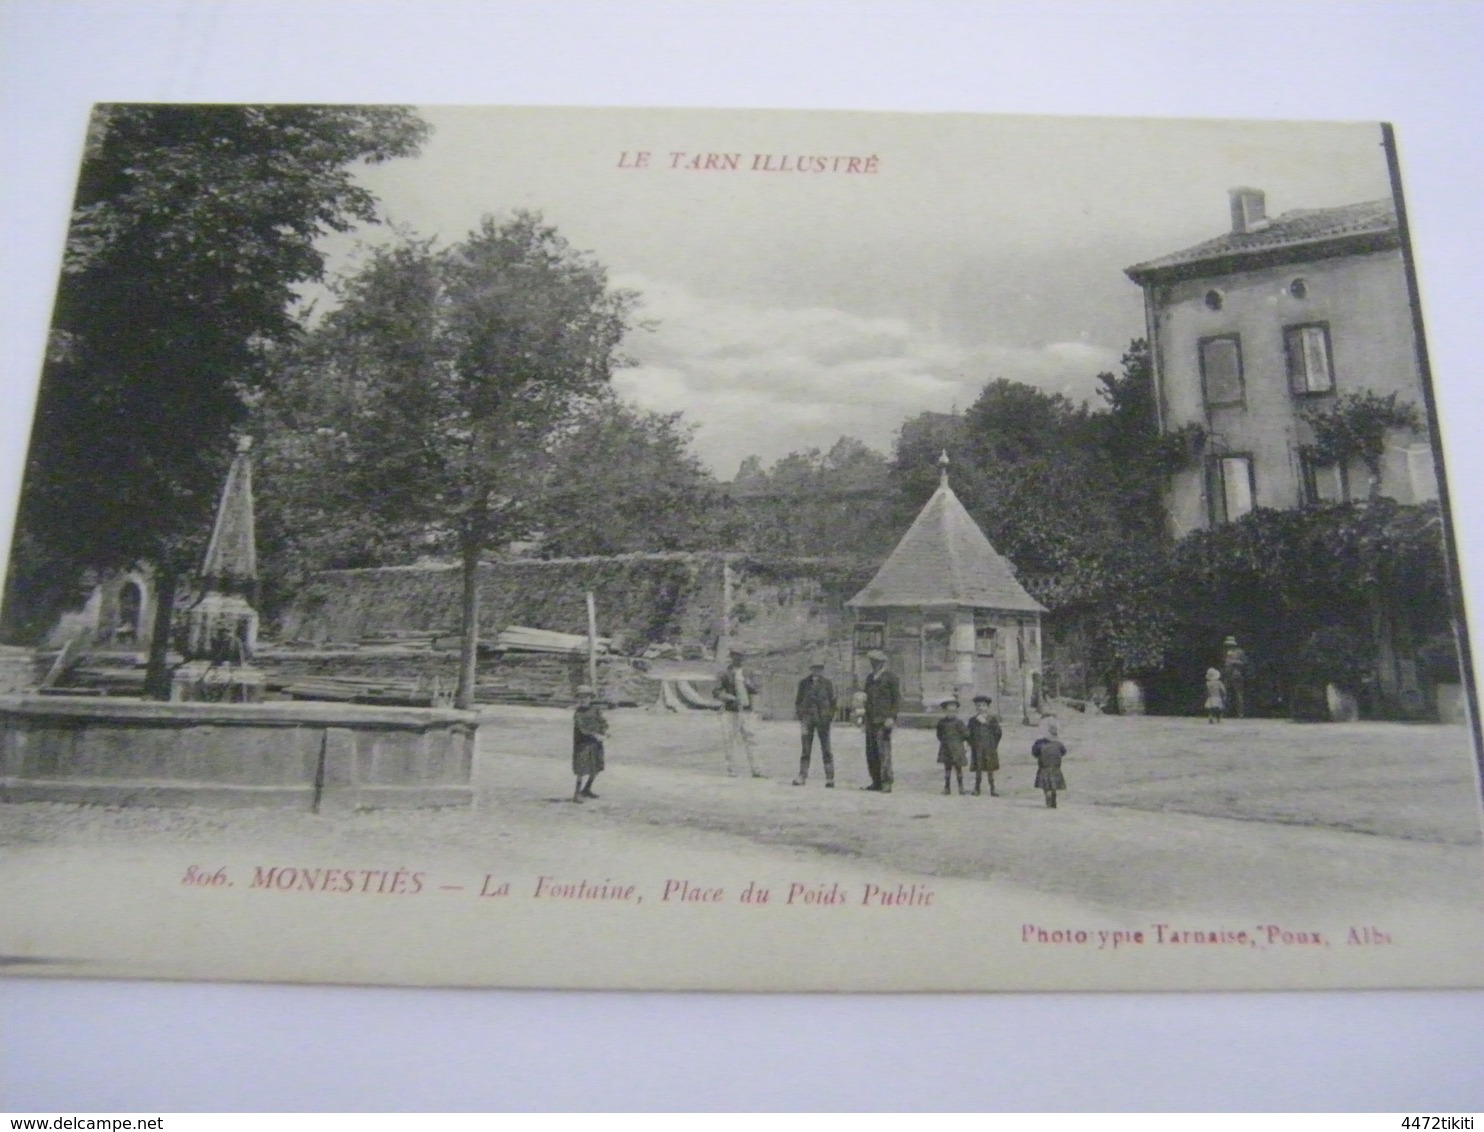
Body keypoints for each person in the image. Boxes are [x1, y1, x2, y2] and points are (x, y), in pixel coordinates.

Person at [715, 648, 764, 777]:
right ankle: (732, 769)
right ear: (731, 657)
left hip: (747, 711)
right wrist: (729, 697)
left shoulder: (748, 673)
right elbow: (717, 692)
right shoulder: (724, 673)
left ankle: (756, 770)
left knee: (751, 739)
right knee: (730, 740)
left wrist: (749, 684)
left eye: (742, 656)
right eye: (737, 656)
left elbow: (756, 689)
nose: (739, 659)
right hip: (731, 711)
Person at [793, 660, 837, 787]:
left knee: (826, 749)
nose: (817, 670)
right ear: (811, 669)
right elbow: (798, 701)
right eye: (815, 668)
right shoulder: (804, 683)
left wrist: (829, 716)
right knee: (806, 749)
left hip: (823, 721)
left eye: (819, 668)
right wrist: (802, 716)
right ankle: (802, 776)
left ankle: (830, 778)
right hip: (807, 720)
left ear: (822, 669)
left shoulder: (827, 684)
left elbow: (833, 702)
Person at [861, 649, 900, 792]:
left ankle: (886, 782)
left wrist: (891, 717)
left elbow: (896, 700)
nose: (873, 664)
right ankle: (875, 781)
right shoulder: (870, 678)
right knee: (871, 753)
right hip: (871, 720)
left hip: (884, 720)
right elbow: (866, 700)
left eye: (876, 662)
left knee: (884, 752)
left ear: (882, 663)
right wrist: (863, 719)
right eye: (872, 661)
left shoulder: (891, 678)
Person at [571, 684, 608, 803]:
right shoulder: (578, 714)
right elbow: (582, 729)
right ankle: (577, 793)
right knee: (581, 769)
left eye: (586, 697)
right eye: (580, 697)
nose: (583, 700)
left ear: (590, 698)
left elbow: (603, 722)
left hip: (595, 744)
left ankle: (587, 788)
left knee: (595, 767)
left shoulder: (595, 710)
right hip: (582, 745)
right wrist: (595, 735)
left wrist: (604, 731)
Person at [967, 693, 1002, 796]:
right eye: (978, 706)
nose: (981, 708)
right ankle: (977, 788)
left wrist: (993, 744)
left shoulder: (992, 719)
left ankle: (992, 788)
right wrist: (971, 743)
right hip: (977, 747)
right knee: (978, 768)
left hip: (989, 746)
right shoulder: (973, 720)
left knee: (990, 768)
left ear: (987, 707)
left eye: (983, 706)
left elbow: (998, 733)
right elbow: (969, 733)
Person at [1031, 717, 1067, 809]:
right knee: (1054, 785)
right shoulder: (1059, 744)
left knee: (1046, 786)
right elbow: (1064, 752)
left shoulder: (1039, 744)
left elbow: (1034, 753)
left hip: (1044, 767)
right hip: (1056, 767)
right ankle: (1053, 799)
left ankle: (1048, 799)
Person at [936, 697, 968, 795]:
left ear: (956, 712)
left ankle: (961, 787)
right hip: (946, 748)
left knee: (958, 768)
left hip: (957, 748)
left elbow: (966, 734)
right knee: (947, 768)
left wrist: (959, 742)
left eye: (953, 711)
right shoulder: (942, 723)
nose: (951, 713)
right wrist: (945, 741)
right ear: (945, 711)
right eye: (949, 711)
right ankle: (947, 787)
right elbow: (939, 735)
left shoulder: (959, 722)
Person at [1221, 635, 1248, 718]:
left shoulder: (1240, 652)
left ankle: (1240, 713)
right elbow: (1222, 663)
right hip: (1226, 675)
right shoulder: (1224, 652)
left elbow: (1244, 663)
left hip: (1237, 675)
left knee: (1238, 695)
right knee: (1224, 694)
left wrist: (1233, 662)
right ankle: (1224, 712)